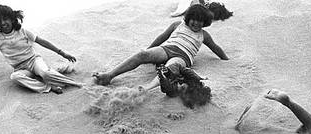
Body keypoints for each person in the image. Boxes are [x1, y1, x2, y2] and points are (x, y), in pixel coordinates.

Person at [0, 5, 82, 94]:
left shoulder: (23, 32)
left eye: (5, 19)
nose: (3, 23)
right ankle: (48, 86)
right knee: (15, 77)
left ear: (12, 19)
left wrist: (62, 53)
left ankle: (77, 85)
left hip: (34, 61)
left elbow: (42, 42)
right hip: (21, 68)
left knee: (45, 73)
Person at [93, 3, 229, 86]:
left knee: (170, 68)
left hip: (183, 57)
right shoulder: (177, 25)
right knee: (142, 55)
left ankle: (148, 87)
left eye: (200, 21)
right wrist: (148, 51)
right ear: (188, 18)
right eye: (193, 19)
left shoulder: (204, 35)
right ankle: (109, 75)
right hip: (167, 48)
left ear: (205, 22)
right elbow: (162, 38)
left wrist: (226, 59)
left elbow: (215, 48)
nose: (196, 23)